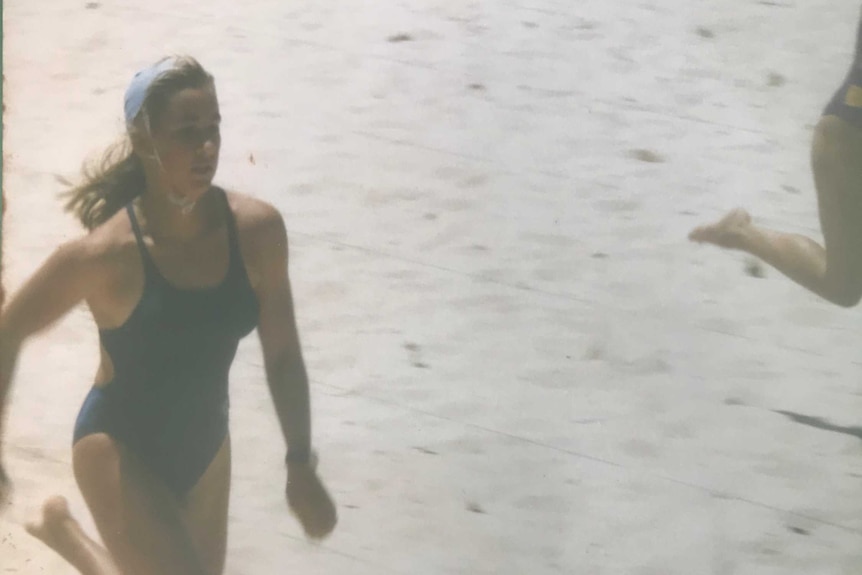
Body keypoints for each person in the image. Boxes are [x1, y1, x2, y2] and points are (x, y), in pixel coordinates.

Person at [0, 55, 337, 575]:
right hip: (116, 444)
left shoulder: (258, 232)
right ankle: (66, 532)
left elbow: (284, 354)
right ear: (143, 140)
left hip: (207, 448)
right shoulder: (105, 256)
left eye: (213, 129)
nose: (207, 148)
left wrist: (300, 460)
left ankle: (66, 536)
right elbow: (9, 328)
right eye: (187, 133)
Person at [689, 12, 862, 308]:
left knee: (844, 287)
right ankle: (746, 235)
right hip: (843, 150)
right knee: (842, 284)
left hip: (841, 141)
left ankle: (744, 234)